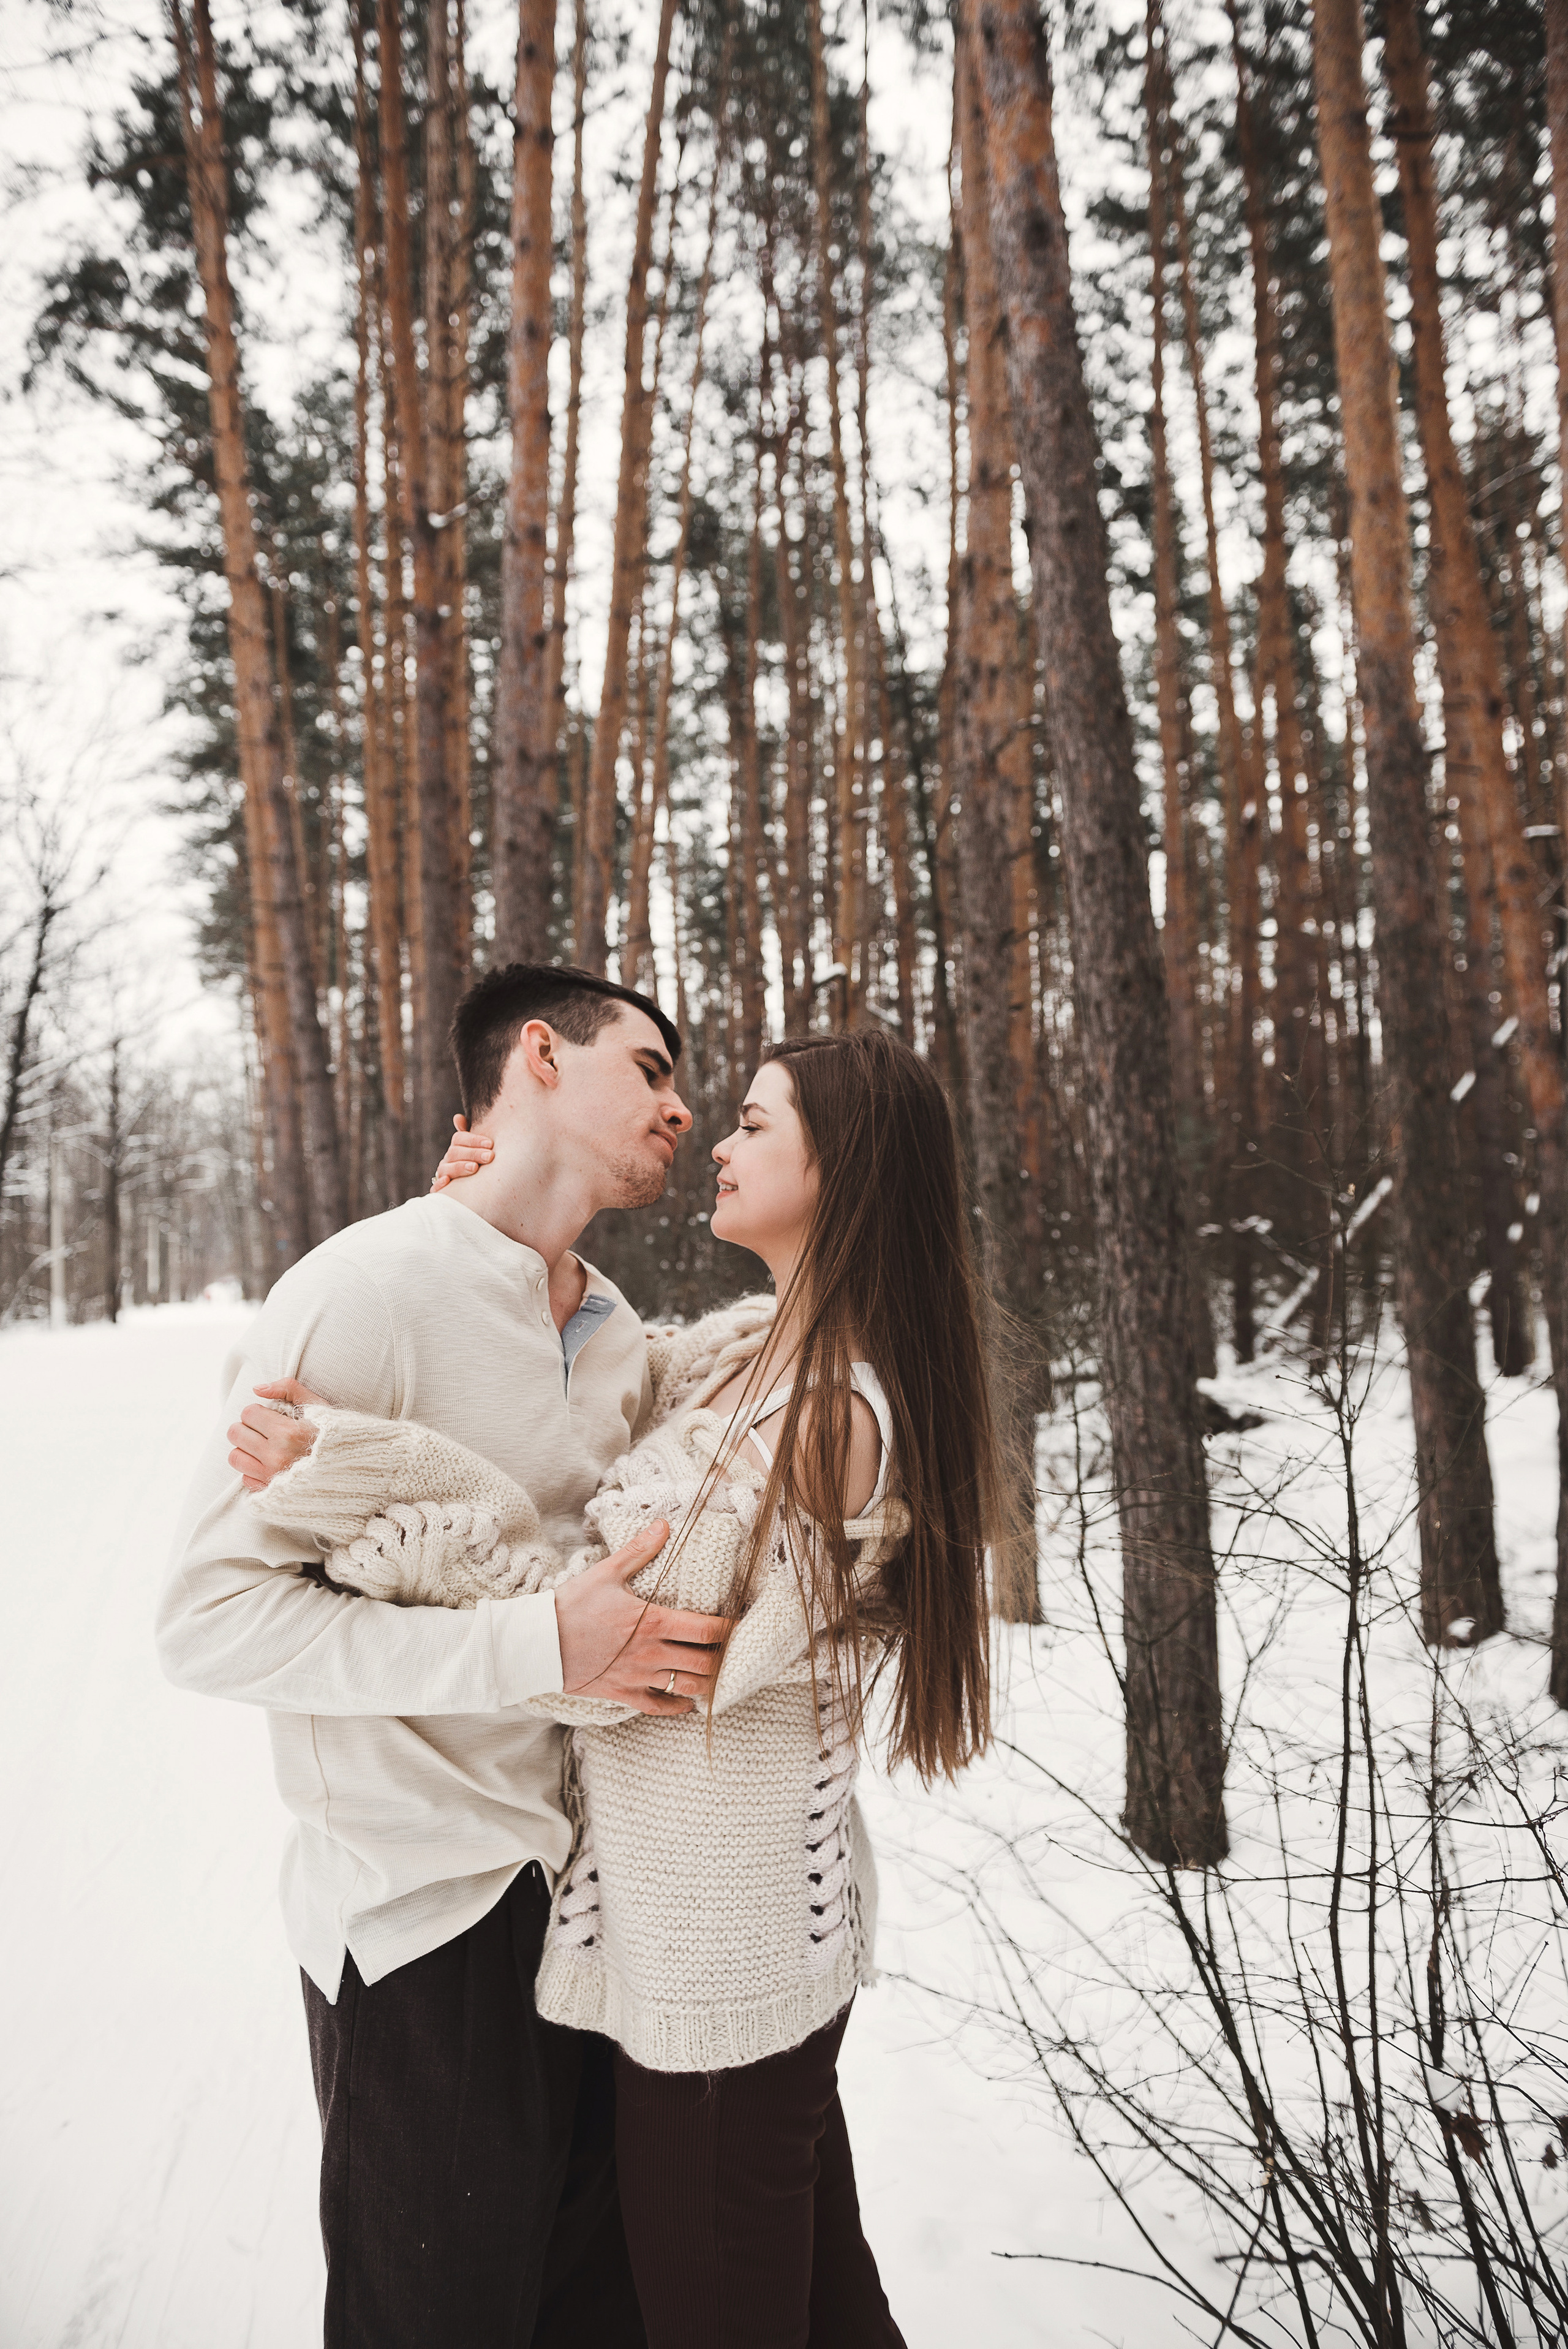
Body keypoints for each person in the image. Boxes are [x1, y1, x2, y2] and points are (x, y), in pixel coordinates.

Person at [231, 1027, 1006, 2348]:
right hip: (746, 1946)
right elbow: (605, 1393)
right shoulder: (760, 1354)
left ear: (845, 1170)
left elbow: (602, 1655)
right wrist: (485, 1240)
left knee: (721, 2312)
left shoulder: (814, 1415)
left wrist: (357, 1477)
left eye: (755, 1124)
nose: (715, 1135)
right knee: (820, 2300)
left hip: (717, 1974)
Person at [157, 963, 739, 2349]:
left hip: (601, 1905)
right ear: (538, 1054)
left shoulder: (613, 1336)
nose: (680, 1107)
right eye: (649, 1069)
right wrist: (534, 1644)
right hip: (426, 1913)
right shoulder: (363, 1289)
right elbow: (210, 1621)